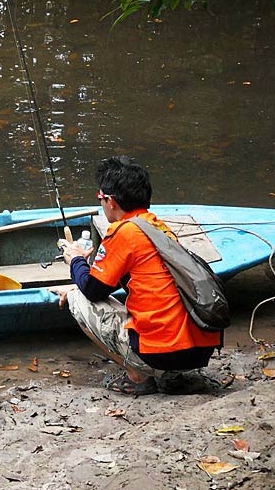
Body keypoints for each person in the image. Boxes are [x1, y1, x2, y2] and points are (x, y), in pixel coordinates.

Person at [53, 156, 221, 395]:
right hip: (199, 351)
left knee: (79, 299)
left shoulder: (123, 232)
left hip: (161, 352)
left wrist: (76, 260)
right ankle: (174, 375)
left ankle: (138, 376)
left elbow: (92, 290)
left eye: (100, 198)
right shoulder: (159, 227)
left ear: (110, 201)